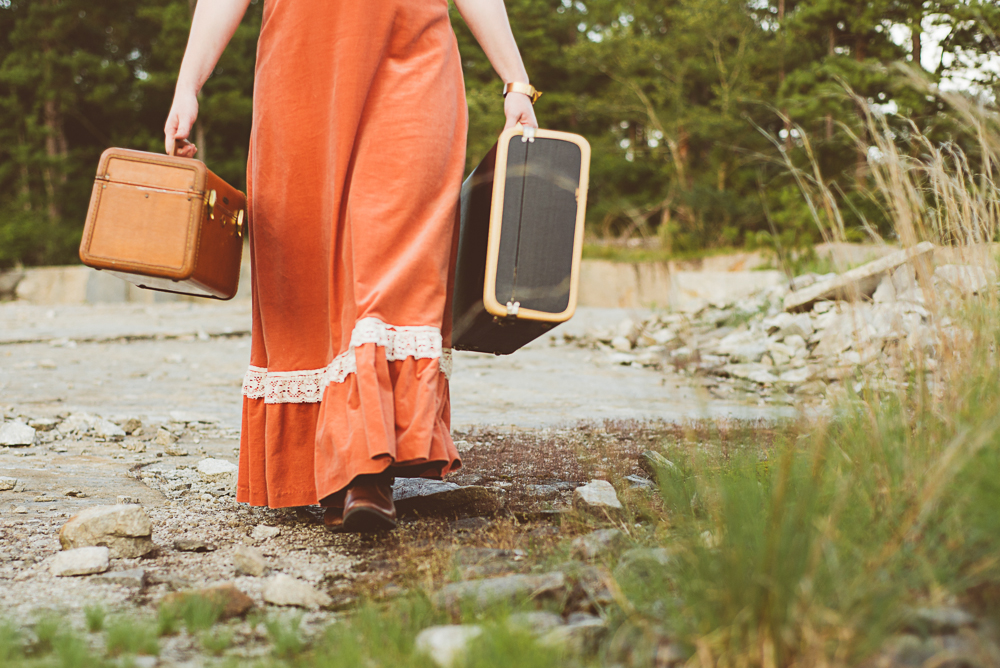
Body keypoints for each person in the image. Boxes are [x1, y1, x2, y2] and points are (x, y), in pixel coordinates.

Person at [164, 0, 539, 532]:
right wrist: (188, 84)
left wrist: (517, 83)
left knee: (393, 247)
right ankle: (326, 461)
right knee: (306, 262)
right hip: (301, 69)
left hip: (416, 61)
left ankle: (368, 467)